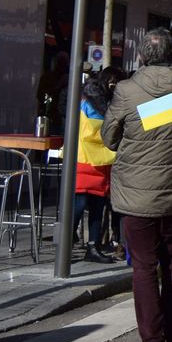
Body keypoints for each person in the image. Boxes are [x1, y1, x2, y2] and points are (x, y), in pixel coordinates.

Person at [102, 28, 172, 342]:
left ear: (142, 55)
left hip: (136, 196)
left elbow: (109, 137)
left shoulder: (127, 90)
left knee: (144, 267)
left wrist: (143, 126)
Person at [75, 67, 123, 262]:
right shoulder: (93, 102)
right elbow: (97, 130)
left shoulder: (97, 99)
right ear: (111, 82)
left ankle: (92, 246)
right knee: (81, 205)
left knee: (96, 205)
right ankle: (76, 246)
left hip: (100, 161)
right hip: (87, 160)